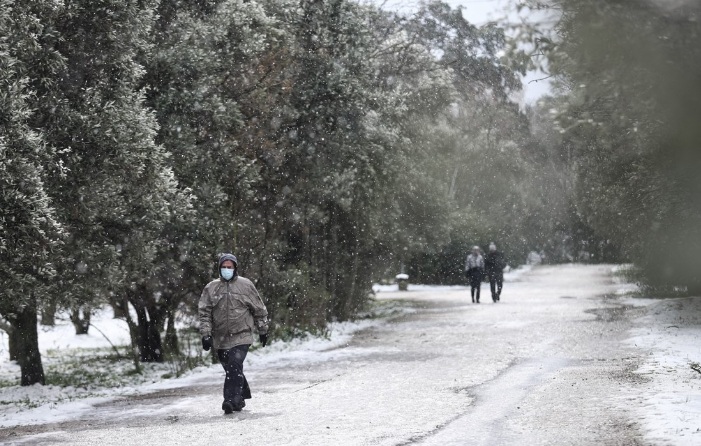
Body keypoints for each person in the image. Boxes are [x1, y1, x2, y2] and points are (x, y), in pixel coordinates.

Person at [199, 253, 269, 414]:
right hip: (221, 337)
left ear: (235, 268)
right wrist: (206, 334)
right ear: (219, 268)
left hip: (242, 334)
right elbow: (204, 313)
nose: (226, 270)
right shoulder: (211, 288)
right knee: (232, 369)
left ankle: (230, 400)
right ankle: (241, 396)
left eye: (229, 267)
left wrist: (263, 329)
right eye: (224, 267)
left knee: (234, 365)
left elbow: (259, 309)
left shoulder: (246, 285)